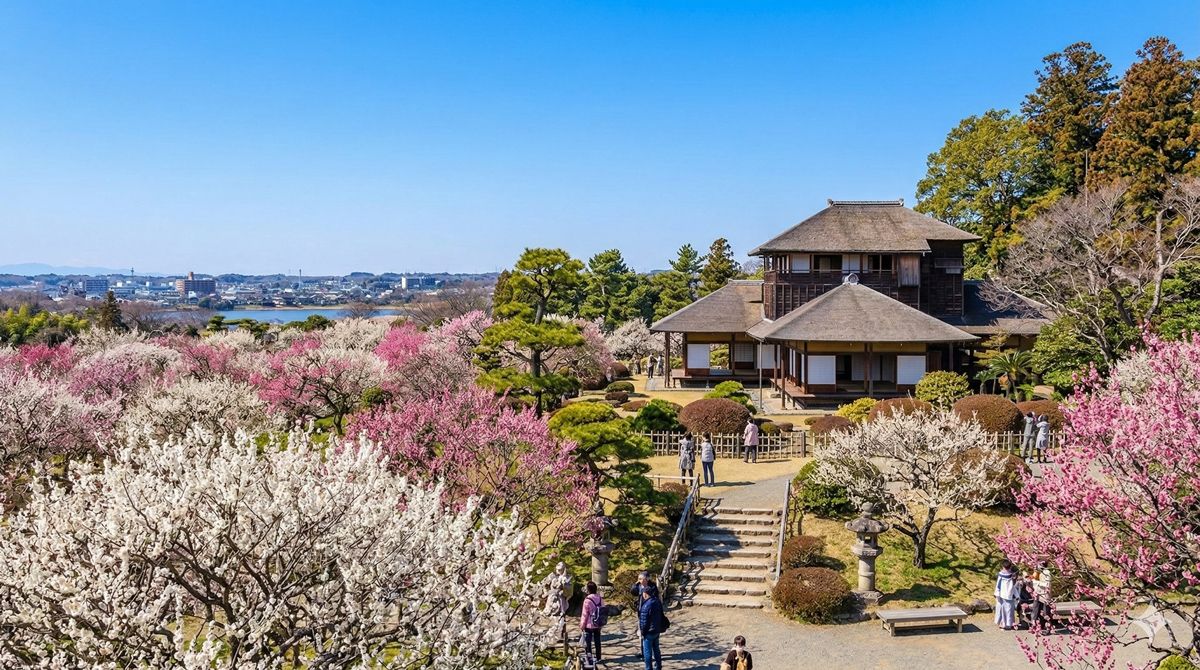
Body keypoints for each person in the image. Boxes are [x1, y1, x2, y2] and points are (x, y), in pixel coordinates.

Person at [637, 583, 664, 670]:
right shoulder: (657, 601)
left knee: (647, 652)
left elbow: (644, 621)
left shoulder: (646, 605)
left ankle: (648, 668)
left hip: (649, 632)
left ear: (645, 593)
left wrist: (642, 632)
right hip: (656, 630)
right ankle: (658, 666)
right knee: (656, 650)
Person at [579, 581, 604, 664]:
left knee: (588, 641)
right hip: (598, 623)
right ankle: (598, 657)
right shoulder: (600, 598)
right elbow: (602, 610)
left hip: (589, 624)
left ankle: (589, 657)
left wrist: (582, 625)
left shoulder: (587, 600)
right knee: (597, 640)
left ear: (588, 589)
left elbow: (584, 614)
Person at [994, 559, 1018, 630]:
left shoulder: (1001, 574)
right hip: (1009, 594)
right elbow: (1013, 586)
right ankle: (1009, 624)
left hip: (1002, 594)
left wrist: (997, 593)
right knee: (1009, 610)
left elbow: (998, 585)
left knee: (1002, 610)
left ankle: (1002, 624)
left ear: (1003, 566)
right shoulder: (1012, 576)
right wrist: (1016, 595)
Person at [1029, 561, 1052, 633]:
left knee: (1046, 612)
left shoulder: (1047, 572)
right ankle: (1034, 626)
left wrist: (1036, 582)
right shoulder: (1038, 572)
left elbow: (1047, 584)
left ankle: (1047, 628)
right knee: (1035, 610)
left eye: (1038, 564)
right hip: (1038, 593)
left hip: (1045, 594)